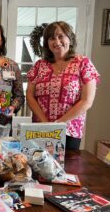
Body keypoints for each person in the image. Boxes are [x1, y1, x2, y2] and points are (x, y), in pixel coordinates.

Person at [26, 21, 100, 150]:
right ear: (47, 43)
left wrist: (59, 124)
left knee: (66, 168)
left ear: (70, 39)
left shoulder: (83, 63)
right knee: (37, 165)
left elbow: (87, 100)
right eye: (52, 38)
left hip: (69, 130)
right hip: (40, 128)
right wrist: (46, 123)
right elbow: (30, 95)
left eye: (61, 36)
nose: (57, 41)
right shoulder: (39, 65)